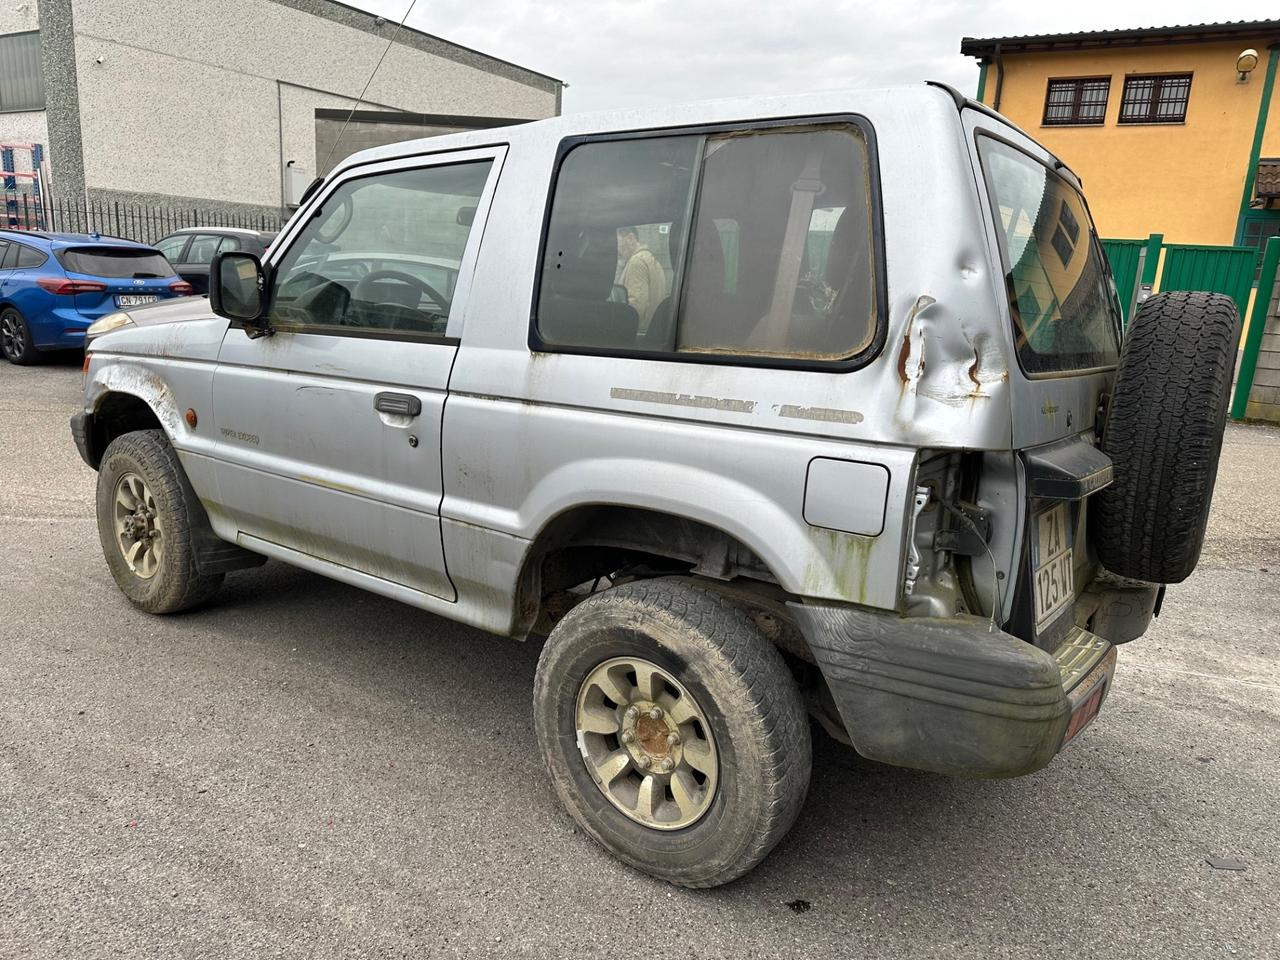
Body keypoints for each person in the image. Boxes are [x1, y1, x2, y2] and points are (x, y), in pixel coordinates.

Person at [616, 226, 669, 331]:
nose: (616, 250)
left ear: (630, 239)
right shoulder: (650, 260)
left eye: (617, 242)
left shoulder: (636, 262)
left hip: (637, 335)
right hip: (651, 332)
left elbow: (635, 308)